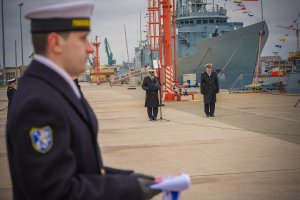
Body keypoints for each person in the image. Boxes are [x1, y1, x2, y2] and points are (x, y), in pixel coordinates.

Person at [6, 1, 160, 200]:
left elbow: (80, 166)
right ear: (55, 43)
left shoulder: (55, 88)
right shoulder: (38, 103)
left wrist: (131, 179)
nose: (90, 49)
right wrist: (128, 188)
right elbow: (54, 191)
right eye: (82, 39)